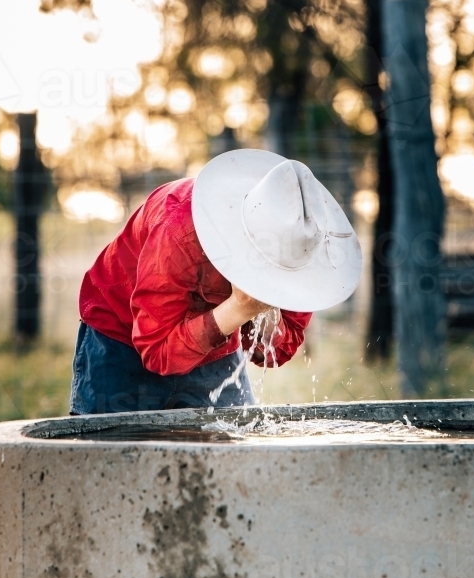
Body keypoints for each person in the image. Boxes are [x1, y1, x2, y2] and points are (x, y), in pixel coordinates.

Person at [70, 149, 362, 414]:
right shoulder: (179, 230)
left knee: (232, 462)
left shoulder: (299, 243)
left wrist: (266, 306)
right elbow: (157, 351)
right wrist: (238, 308)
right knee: (115, 458)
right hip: (122, 341)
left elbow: (276, 352)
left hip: (216, 345)